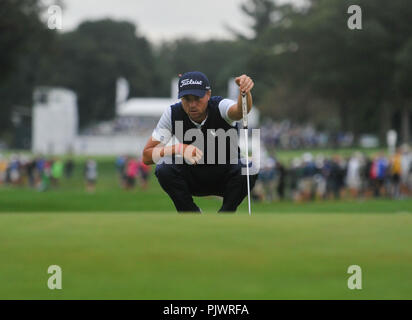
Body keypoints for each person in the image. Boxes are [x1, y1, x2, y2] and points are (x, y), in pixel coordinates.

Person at [142, 71, 258, 213]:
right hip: (192, 178)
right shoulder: (173, 113)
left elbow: (240, 111)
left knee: (249, 166)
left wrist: (244, 92)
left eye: (197, 98)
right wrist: (178, 148)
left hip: (225, 178)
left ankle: (226, 214)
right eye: (186, 99)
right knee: (164, 167)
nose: (192, 105)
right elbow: (147, 156)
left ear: (208, 94)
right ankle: (191, 213)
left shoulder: (220, 106)